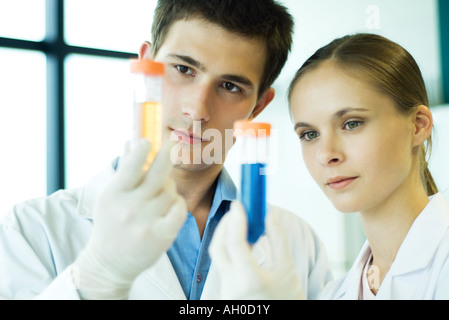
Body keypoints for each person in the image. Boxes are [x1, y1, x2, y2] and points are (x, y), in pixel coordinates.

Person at [0, 0, 332, 300]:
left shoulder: (299, 244)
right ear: (147, 63)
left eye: (230, 86)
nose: (197, 109)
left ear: (259, 105)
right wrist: (94, 279)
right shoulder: (31, 231)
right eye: (184, 69)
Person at [210, 33, 449, 299]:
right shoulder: (334, 294)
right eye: (310, 134)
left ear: (418, 125)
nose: (326, 155)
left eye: (352, 123)